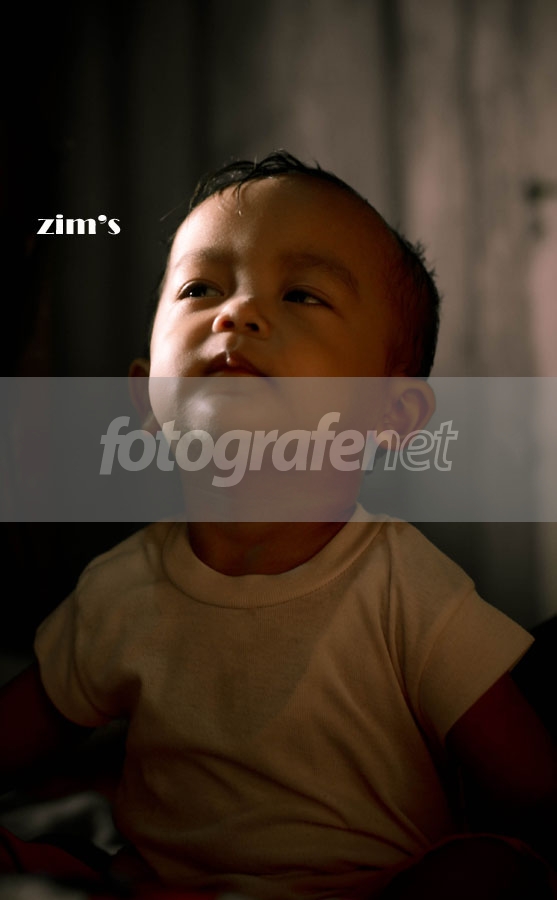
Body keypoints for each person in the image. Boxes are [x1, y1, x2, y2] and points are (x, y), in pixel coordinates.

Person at [1, 151, 556, 899]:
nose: (235, 314)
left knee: (487, 868)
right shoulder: (120, 590)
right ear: (142, 396)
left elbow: (533, 789)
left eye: (300, 295)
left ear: (391, 413)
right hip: (162, 891)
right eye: (199, 289)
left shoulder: (405, 587)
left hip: (366, 890)